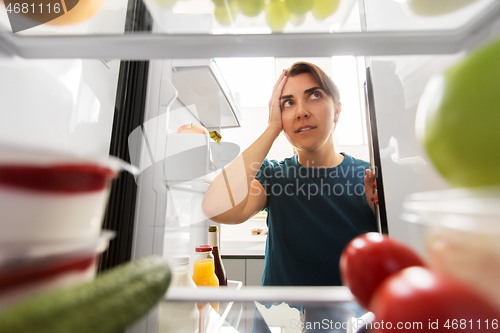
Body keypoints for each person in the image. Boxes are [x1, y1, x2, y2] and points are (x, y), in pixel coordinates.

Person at [202, 61, 379, 289]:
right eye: (288, 103)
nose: (301, 112)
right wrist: (271, 129)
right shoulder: (273, 175)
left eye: (314, 95)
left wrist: (380, 212)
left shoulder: (368, 177)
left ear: (337, 110)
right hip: (280, 321)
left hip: (351, 322)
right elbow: (215, 207)